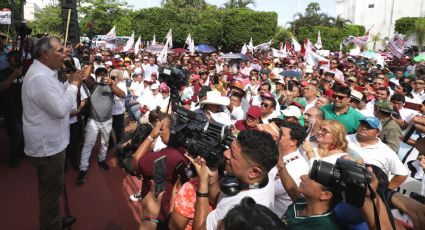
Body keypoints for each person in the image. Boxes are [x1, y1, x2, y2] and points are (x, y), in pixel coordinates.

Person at [22, 36, 82, 229]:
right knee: (50, 194)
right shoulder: (39, 78)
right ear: (45, 55)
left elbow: (56, 95)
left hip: (51, 144)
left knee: (51, 191)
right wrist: (73, 85)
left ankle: (54, 219)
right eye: (59, 50)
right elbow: (59, 109)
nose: (64, 53)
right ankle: (51, 224)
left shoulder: (46, 72)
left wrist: (71, 83)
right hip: (48, 148)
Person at [188, 130, 279, 230]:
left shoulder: (241, 213)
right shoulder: (263, 179)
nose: (225, 153)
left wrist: (203, 184)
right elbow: (220, 201)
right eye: (230, 148)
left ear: (254, 172)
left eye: (233, 154)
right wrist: (213, 178)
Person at [77, 67, 125, 184]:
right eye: (99, 74)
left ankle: (101, 160)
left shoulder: (112, 85)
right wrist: (89, 66)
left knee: (105, 143)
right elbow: (85, 78)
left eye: (104, 74)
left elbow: (122, 95)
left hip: (107, 121)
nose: (102, 76)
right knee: (88, 145)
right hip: (93, 121)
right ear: (96, 75)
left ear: (108, 75)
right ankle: (83, 168)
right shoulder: (92, 84)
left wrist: (112, 85)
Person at [346, 117, 408, 190]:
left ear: (377, 133)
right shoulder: (344, 139)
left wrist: (385, 192)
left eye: (369, 127)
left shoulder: (386, 151)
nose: (364, 128)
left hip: (365, 192)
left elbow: (402, 174)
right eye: (362, 125)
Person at [272, 122, 310, 217]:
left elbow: (273, 189)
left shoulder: (299, 165)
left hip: (275, 217)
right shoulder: (276, 153)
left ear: (293, 141)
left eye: (281, 134)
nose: (277, 136)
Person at [0, 50, 24, 167]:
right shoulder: (4, 72)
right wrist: (14, 75)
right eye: (13, 57)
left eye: (18, 57)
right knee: (16, 131)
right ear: (8, 59)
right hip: (10, 107)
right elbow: (2, 87)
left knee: (20, 131)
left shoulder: (25, 71)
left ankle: (20, 152)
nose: (16, 59)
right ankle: (13, 158)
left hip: (23, 106)